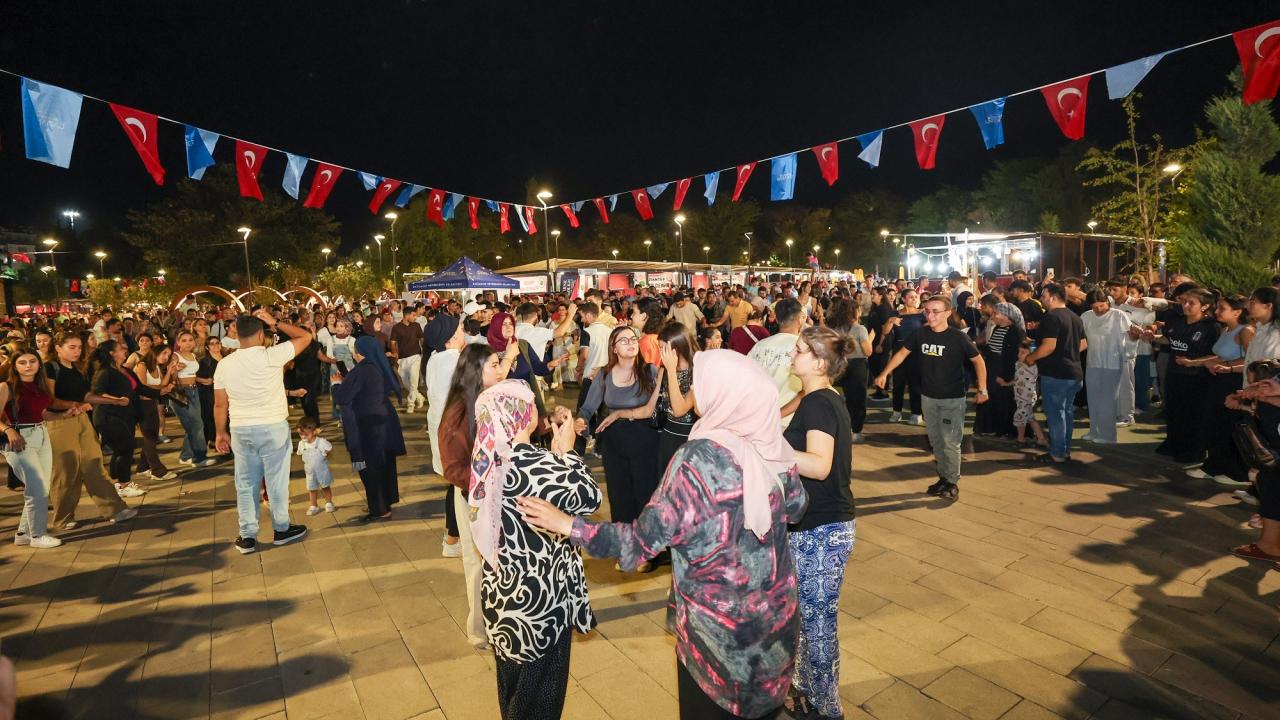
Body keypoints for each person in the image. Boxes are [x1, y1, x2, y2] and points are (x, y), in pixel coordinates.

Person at [518, 350, 807, 719]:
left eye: (700, 383)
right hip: (776, 629)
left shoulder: (698, 461)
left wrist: (568, 525)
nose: (693, 390)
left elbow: (640, 543)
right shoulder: (770, 444)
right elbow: (797, 507)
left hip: (718, 643)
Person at [469, 381, 601, 720]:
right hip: (542, 605)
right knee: (542, 698)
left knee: (513, 692)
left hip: (502, 598)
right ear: (523, 414)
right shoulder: (538, 464)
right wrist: (568, 454)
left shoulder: (486, 462)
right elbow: (590, 497)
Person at [785, 326, 856, 720]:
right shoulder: (822, 397)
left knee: (818, 623)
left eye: (799, 350)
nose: (791, 355)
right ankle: (807, 690)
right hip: (816, 525)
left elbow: (819, 464)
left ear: (819, 363)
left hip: (822, 530)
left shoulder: (818, 403)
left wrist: (769, 448)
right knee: (808, 617)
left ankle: (828, 709)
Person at [213, 310, 312, 554]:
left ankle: (247, 536)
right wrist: (275, 321)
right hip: (272, 426)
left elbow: (220, 404)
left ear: (237, 335)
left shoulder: (224, 364)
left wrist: (220, 433)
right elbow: (305, 337)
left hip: (241, 428)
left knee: (246, 483)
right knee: (276, 481)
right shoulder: (272, 355)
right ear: (260, 334)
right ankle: (281, 529)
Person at [440, 343, 518, 649]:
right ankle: (479, 631)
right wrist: (485, 483)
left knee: (500, 562)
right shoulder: (458, 412)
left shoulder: (494, 399)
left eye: (499, 364)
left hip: (503, 496)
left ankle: (504, 621)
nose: (500, 370)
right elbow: (452, 469)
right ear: (475, 371)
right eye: (494, 365)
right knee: (477, 565)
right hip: (474, 498)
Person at [875, 296, 988, 501]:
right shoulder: (920, 334)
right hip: (928, 398)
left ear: (947, 313)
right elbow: (901, 354)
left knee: (950, 442)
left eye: (936, 311)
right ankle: (943, 477)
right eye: (927, 311)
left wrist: (982, 388)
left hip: (952, 399)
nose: (930, 315)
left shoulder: (958, 337)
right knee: (936, 441)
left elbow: (978, 361)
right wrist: (884, 373)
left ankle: (951, 482)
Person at [577, 326, 661, 572]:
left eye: (633, 339)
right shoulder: (605, 375)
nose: (630, 343)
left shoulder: (650, 371)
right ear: (614, 348)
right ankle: (625, 548)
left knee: (645, 494)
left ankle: (647, 550)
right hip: (614, 441)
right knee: (620, 494)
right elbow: (588, 408)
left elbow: (659, 406)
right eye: (623, 340)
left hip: (646, 439)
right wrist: (581, 420)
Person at [43, 333, 140, 528]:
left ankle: (115, 509)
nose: (77, 351)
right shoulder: (50, 368)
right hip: (59, 423)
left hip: (81, 420)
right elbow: (49, 400)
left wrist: (114, 401)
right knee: (66, 471)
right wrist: (74, 405)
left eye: (79, 347)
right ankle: (63, 518)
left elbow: (87, 395)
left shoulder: (78, 369)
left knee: (94, 464)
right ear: (58, 348)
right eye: (72, 347)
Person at [0, 348, 79, 548]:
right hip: (19, 438)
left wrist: (63, 415)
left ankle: (24, 533)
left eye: (32, 361)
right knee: (37, 488)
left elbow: (41, 414)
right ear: (14, 366)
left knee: (41, 486)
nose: (28, 366)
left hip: (41, 434)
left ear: (39, 364)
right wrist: (8, 430)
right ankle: (37, 535)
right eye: (22, 362)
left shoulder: (39, 386)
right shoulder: (6, 387)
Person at [333, 336, 407, 523]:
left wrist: (336, 385)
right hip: (385, 422)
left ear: (361, 352)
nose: (354, 354)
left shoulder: (363, 369)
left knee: (370, 469)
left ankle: (380, 510)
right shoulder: (380, 365)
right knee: (385, 466)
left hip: (368, 426)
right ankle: (385, 502)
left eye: (356, 351)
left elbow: (343, 397)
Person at [1159, 288, 1220, 468]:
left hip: (1196, 377)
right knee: (1174, 410)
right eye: (1184, 301)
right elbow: (1169, 340)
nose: (1186, 305)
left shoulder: (1211, 327)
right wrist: (1151, 337)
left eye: (1191, 303)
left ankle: (1192, 451)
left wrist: (1193, 362)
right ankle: (1174, 443)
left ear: (1205, 306)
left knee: (1192, 414)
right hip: (1175, 373)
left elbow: (1216, 354)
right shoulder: (1179, 322)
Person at [1024, 284, 1085, 464]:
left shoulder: (1051, 317)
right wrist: (1068, 353)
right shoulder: (1075, 317)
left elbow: (1049, 346)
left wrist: (1031, 357)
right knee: (1066, 413)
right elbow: (1084, 343)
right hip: (1074, 372)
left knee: (1055, 414)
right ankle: (1064, 450)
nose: (1041, 299)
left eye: (1043, 296)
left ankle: (1057, 453)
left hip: (1056, 374)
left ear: (1052, 297)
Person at [90, 340, 155, 496]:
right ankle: (124, 484)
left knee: (122, 450)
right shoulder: (105, 372)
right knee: (125, 449)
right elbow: (97, 393)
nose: (125, 350)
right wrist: (117, 400)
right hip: (109, 416)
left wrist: (162, 391)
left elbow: (139, 388)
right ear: (111, 353)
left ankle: (117, 483)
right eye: (120, 349)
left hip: (126, 416)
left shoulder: (124, 370)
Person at [425, 321, 467, 557]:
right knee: (460, 488)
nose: (464, 332)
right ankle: (453, 540)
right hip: (454, 434)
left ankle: (452, 539)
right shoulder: (453, 362)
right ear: (450, 338)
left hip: (443, 430)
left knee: (455, 486)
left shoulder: (435, 357)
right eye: (460, 329)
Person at [1080, 289, 1138, 445]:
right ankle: (1094, 430)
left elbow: (1131, 337)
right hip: (1093, 362)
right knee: (1093, 397)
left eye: (1102, 305)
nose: (1099, 309)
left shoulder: (1119, 315)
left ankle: (1108, 435)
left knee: (1108, 400)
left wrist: (1135, 336)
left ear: (1107, 301)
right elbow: (1081, 339)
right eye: (1095, 307)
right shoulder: (1086, 316)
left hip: (1113, 363)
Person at [748, 298, 805, 427]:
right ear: (800, 319)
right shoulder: (804, 348)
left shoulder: (759, 346)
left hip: (761, 419)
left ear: (777, 320)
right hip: (792, 422)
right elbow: (809, 390)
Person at [975, 300, 1025, 439]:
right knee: (991, 398)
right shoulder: (998, 328)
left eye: (996, 313)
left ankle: (1004, 430)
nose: (993, 316)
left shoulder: (1015, 331)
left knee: (1003, 400)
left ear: (1006, 316)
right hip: (992, 366)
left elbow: (1011, 356)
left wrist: (1005, 376)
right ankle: (991, 428)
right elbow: (993, 347)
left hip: (1002, 368)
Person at [826, 298, 873, 443]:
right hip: (858, 366)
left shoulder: (835, 328)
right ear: (855, 312)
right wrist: (871, 338)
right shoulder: (860, 329)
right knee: (858, 399)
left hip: (841, 364)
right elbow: (868, 351)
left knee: (846, 398)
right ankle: (856, 431)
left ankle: (846, 428)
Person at [169, 332, 215, 468]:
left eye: (190, 340)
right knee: (195, 425)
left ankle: (186, 456)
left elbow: (192, 375)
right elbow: (171, 377)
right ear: (178, 342)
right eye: (184, 340)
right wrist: (175, 370)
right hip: (181, 393)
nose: (188, 343)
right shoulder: (175, 356)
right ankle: (199, 458)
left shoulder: (193, 355)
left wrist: (203, 380)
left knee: (194, 425)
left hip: (194, 391)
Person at [134, 343, 177, 482]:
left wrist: (169, 371)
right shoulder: (142, 365)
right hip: (142, 404)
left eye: (168, 355)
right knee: (150, 437)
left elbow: (162, 384)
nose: (166, 357)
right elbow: (142, 386)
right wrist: (162, 389)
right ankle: (157, 471)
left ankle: (142, 468)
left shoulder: (157, 366)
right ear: (155, 352)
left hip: (152, 402)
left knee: (151, 436)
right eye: (164, 353)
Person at [884, 288, 926, 425]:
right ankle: (897, 411)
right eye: (911, 297)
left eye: (916, 297)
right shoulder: (896, 314)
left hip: (916, 351)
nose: (914, 299)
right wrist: (891, 321)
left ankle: (916, 413)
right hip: (899, 349)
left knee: (915, 383)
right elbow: (885, 332)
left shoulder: (922, 314)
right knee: (898, 383)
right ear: (903, 299)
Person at [1010, 340, 1048, 448]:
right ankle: (1041, 438)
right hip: (1019, 396)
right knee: (1030, 418)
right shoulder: (1018, 364)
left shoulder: (1033, 367)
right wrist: (1007, 383)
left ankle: (1020, 439)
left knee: (1020, 416)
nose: (1019, 355)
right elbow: (1017, 379)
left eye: (1023, 352)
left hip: (1027, 397)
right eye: (1019, 352)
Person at [295, 416, 336, 516]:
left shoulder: (321, 442)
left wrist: (326, 455)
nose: (303, 437)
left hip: (322, 470)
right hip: (310, 472)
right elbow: (300, 454)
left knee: (325, 486)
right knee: (312, 488)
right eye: (300, 434)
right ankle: (314, 505)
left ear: (314, 432)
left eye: (306, 435)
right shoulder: (301, 444)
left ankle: (329, 503)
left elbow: (330, 448)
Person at [388, 307, 426, 411]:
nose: (415, 317)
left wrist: (424, 352)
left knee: (414, 380)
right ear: (407, 315)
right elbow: (393, 342)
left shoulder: (416, 326)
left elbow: (421, 339)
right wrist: (395, 353)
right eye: (413, 315)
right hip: (402, 358)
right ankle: (419, 397)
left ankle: (411, 404)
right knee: (405, 383)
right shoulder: (396, 327)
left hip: (416, 356)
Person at [196, 335, 223, 450]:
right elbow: (195, 377)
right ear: (207, 347)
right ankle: (212, 440)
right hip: (208, 393)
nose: (215, 345)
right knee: (210, 416)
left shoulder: (227, 358)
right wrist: (205, 380)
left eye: (217, 342)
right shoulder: (204, 362)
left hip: (225, 392)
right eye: (212, 344)